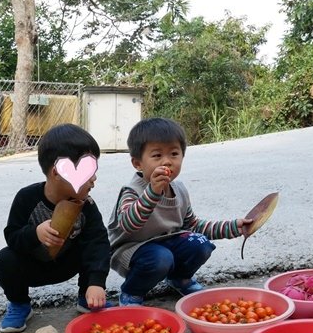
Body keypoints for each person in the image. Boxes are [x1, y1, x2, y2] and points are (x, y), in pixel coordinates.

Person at [107, 117, 251, 306]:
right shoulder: (132, 191)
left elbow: (193, 225)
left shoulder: (180, 190)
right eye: (157, 156)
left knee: (200, 243)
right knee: (160, 258)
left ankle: (179, 279)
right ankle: (132, 291)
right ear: (137, 163)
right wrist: (152, 192)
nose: (167, 162)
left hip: (165, 244)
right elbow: (128, 224)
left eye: (174, 154)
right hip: (132, 250)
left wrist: (233, 227)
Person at [0, 123, 112, 333]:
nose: (94, 179)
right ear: (58, 172)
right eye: (87, 172)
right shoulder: (27, 198)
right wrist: (35, 233)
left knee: (93, 244)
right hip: (34, 266)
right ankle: (20, 304)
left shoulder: (86, 204)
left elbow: (98, 242)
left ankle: (86, 297)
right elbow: (12, 236)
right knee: (4, 259)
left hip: (67, 264)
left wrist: (96, 282)